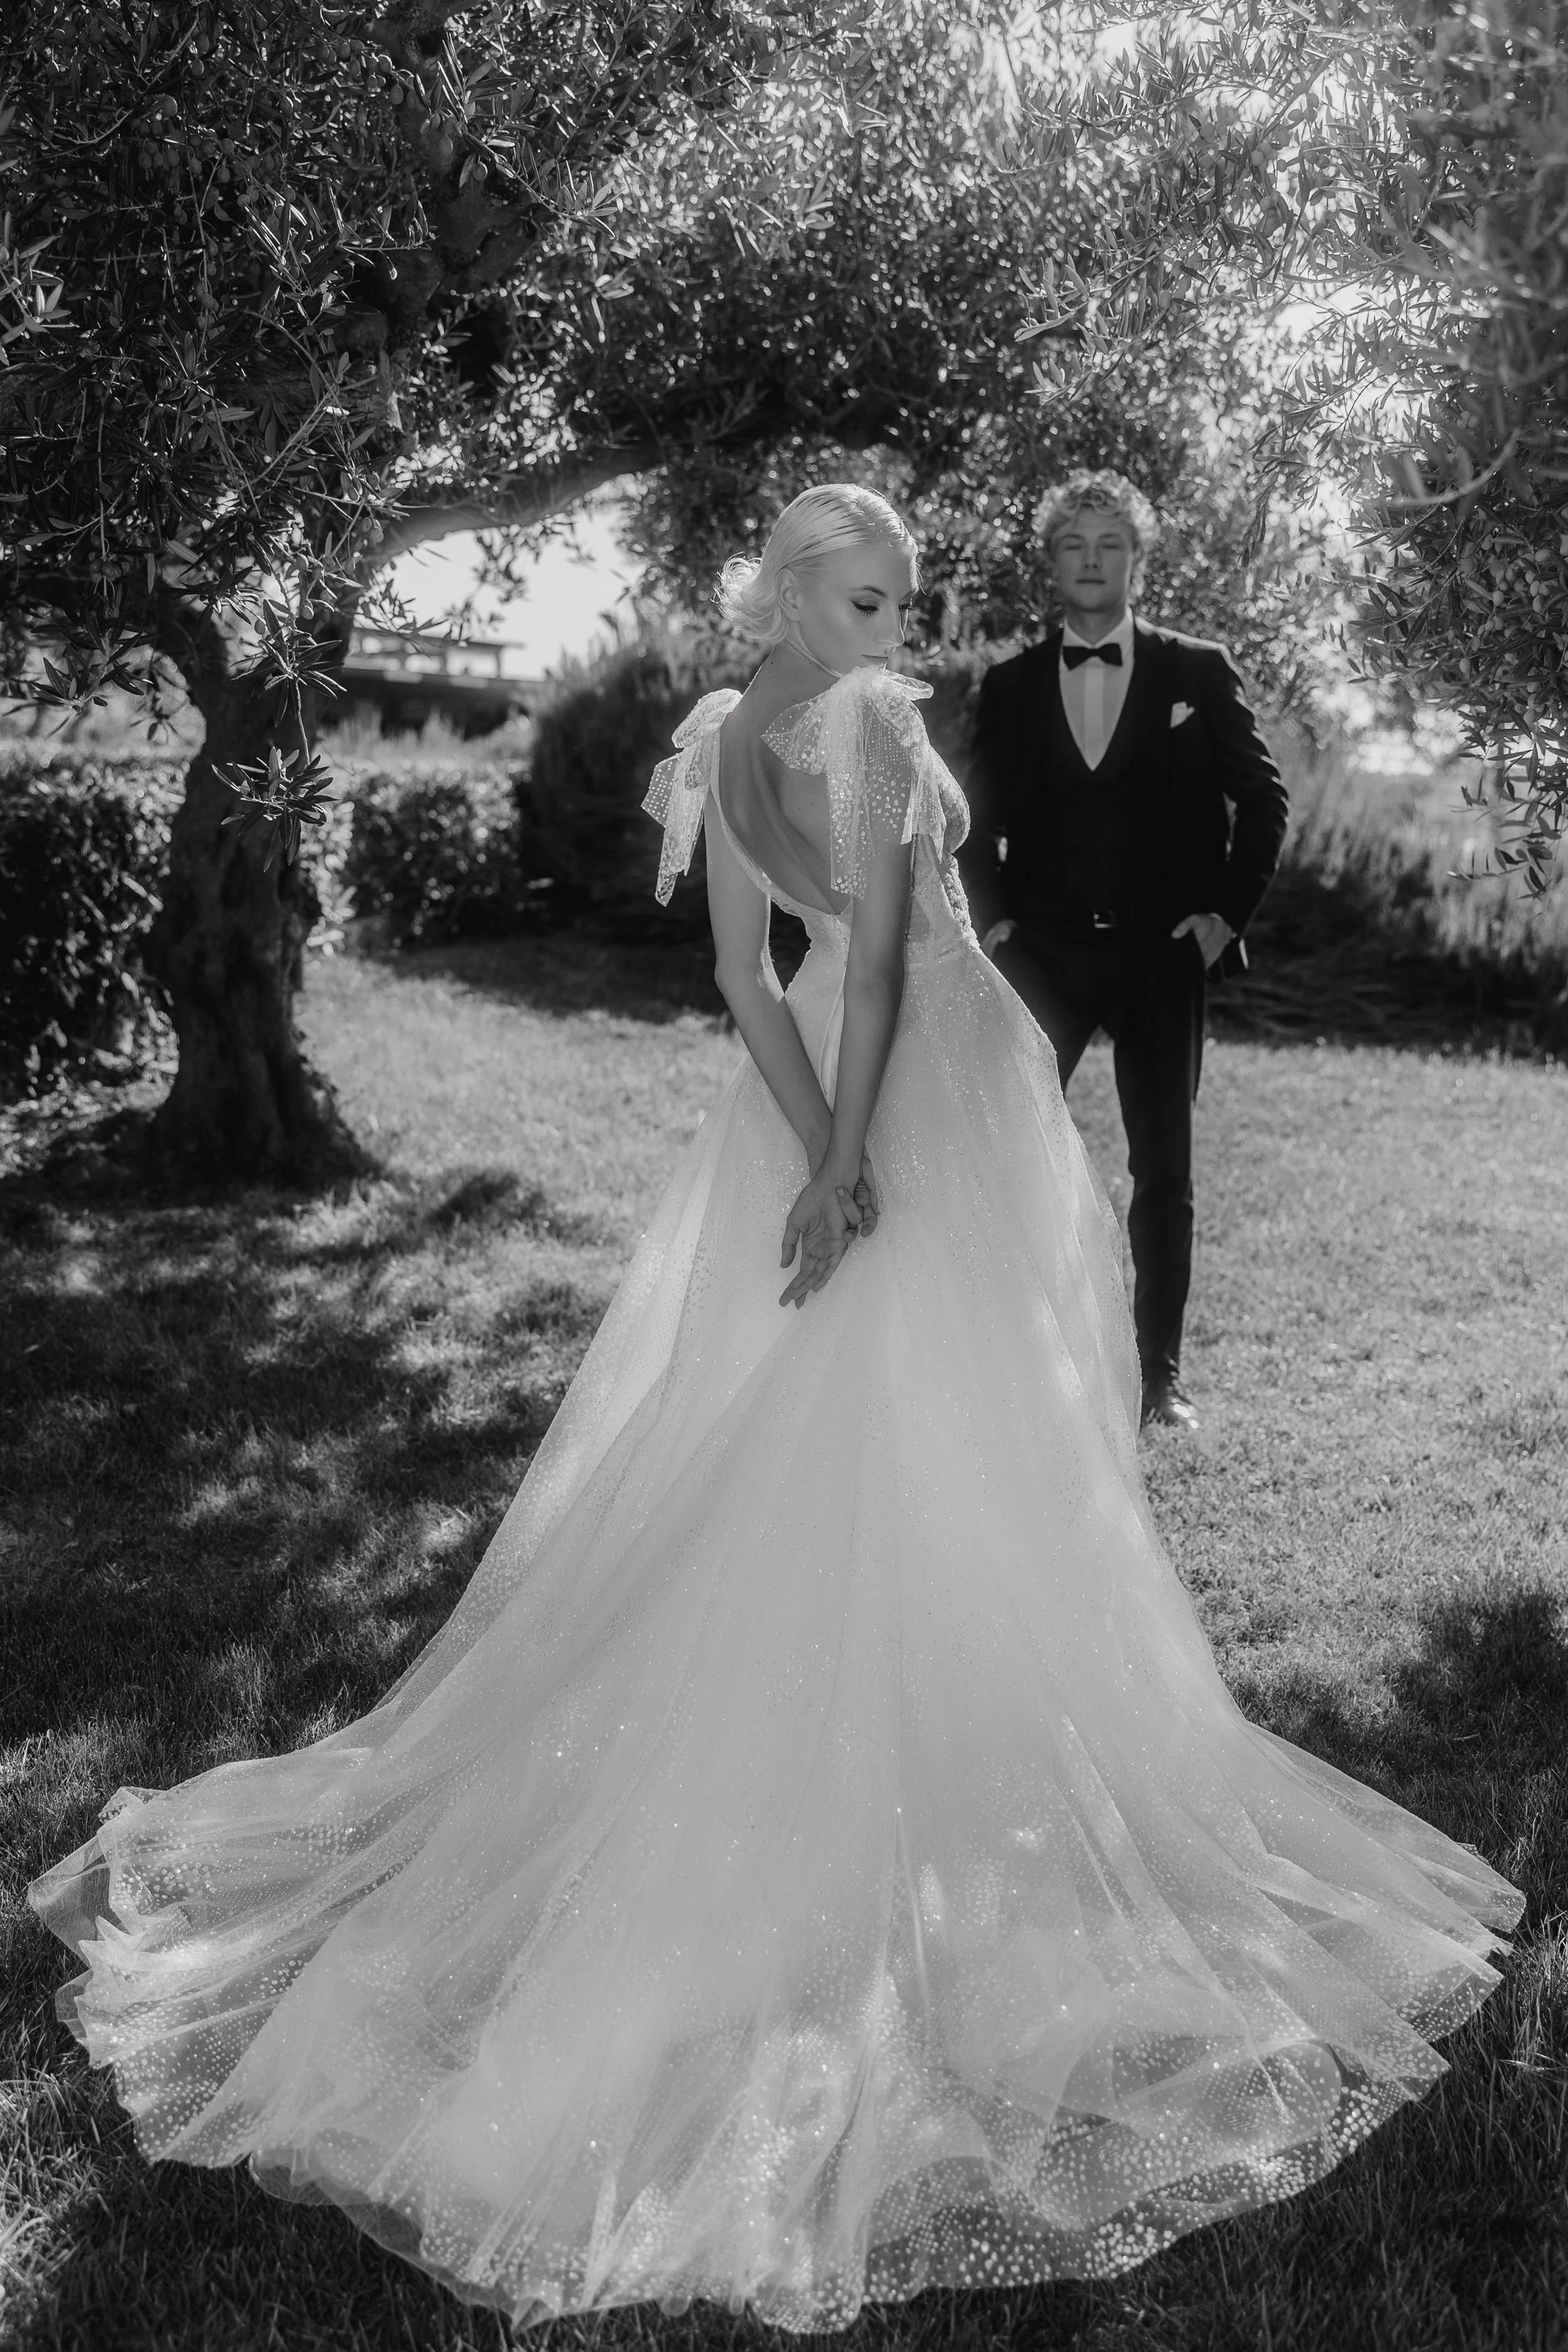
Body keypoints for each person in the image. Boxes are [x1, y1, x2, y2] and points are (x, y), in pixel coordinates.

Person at [31, 485, 1520, 2335]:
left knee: (794, 1414)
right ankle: (914, 1743)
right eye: (870, 594)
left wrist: (796, 1131)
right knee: (952, 1412)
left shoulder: (711, 733)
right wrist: (843, 1159)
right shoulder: (871, 723)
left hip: (796, 1097)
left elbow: (746, 972)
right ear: (802, 595)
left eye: (903, 598)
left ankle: (843, 1693)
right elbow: (884, 960)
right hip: (918, 1091)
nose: (897, 626)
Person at [962, 471, 1290, 1432]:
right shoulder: (1014, 685)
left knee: (1166, 1171)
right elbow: (972, 819)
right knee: (1007, 1150)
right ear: (1053, 562)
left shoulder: (1199, 670)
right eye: (1076, 544)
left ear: (1138, 558)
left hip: (1163, 954)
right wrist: (993, 921)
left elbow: (1264, 800)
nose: (1094, 560)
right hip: (1045, 956)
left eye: (1111, 543)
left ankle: (1159, 1378)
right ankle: (1012, 1352)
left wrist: (1224, 917)